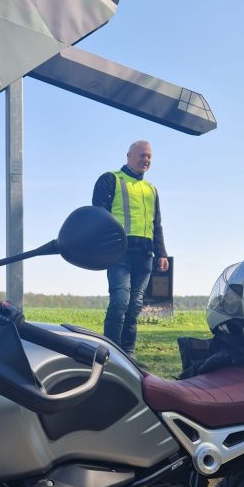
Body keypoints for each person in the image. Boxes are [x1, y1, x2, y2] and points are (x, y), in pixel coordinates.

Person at [92, 140, 169, 356]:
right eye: (142, 155)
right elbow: (98, 216)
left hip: (145, 255)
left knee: (134, 306)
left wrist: (161, 253)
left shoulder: (151, 189)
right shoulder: (111, 179)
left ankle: (128, 354)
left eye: (149, 157)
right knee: (120, 301)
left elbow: (157, 224)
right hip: (119, 252)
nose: (146, 160)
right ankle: (110, 352)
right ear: (129, 156)